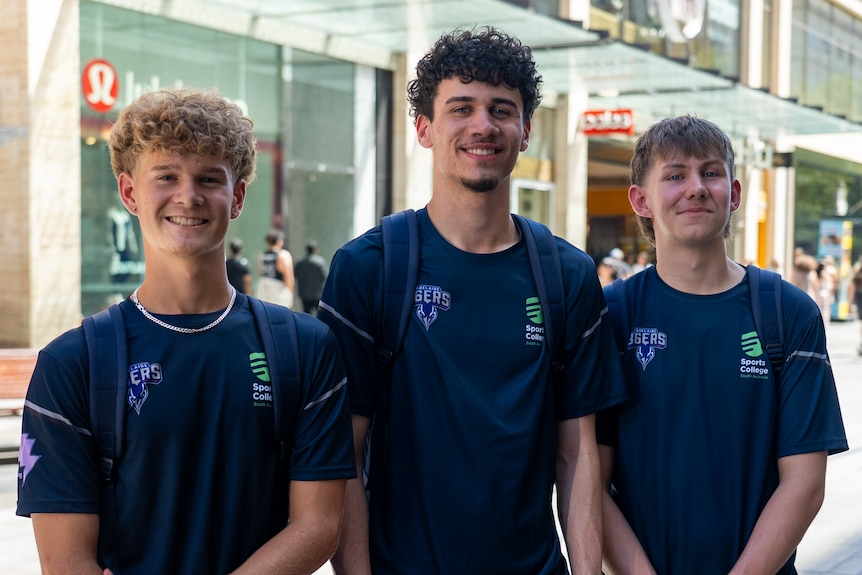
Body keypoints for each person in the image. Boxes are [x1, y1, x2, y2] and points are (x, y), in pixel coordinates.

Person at [319, 26, 627, 575]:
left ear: (526, 130)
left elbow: (576, 452)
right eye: (461, 107)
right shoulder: (368, 268)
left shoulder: (568, 276)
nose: (483, 125)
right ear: (424, 128)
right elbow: (345, 453)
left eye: (501, 109)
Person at [17, 88, 356, 575]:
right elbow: (66, 560)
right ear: (130, 192)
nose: (188, 196)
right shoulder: (73, 362)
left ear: (236, 197)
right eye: (167, 176)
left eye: (208, 178)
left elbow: (319, 526)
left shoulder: (304, 347)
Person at [597, 115, 848, 575]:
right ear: (642, 200)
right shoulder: (609, 317)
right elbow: (589, 483)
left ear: (733, 194)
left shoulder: (787, 313)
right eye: (674, 176)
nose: (695, 188)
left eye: (710, 173)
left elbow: (805, 482)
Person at [257, 229, 295, 309]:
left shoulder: (262, 256)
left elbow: (260, 273)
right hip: (278, 290)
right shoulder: (283, 255)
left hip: (263, 288)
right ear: (280, 241)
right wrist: (289, 294)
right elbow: (288, 276)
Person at [293, 240, 328, 315]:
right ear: (315, 249)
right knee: (319, 315)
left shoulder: (300, 262)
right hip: (317, 294)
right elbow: (324, 277)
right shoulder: (320, 262)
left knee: (306, 314)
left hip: (304, 294)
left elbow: (295, 275)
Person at [849, 255, 862, 355]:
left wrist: (850, 302)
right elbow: (852, 287)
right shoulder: (857, 273)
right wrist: (850, 302)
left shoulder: (858, 273)